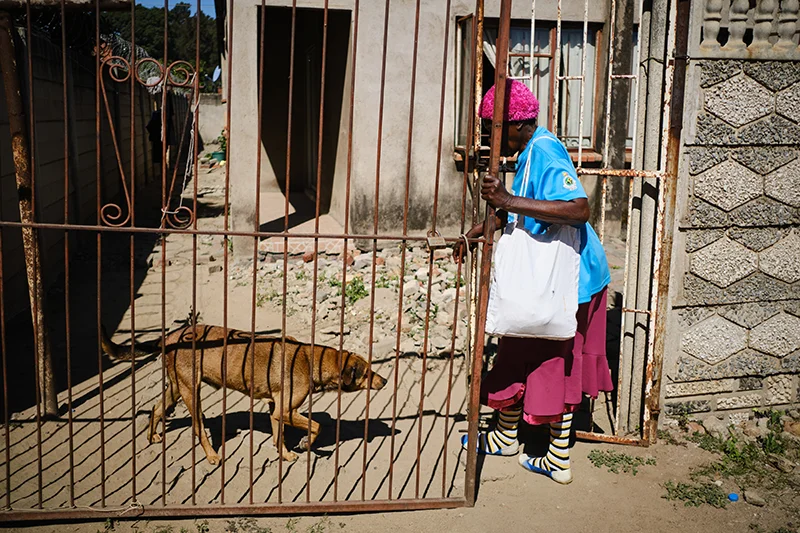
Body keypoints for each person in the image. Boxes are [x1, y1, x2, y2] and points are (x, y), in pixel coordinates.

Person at [455, 80, 613, 485]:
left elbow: (579, 209)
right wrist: (479, 230)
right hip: (543, 280)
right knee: (515, 353)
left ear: (513, 124)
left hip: (568, 282)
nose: (490, 137)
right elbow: (521, 212)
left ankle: (557, 459)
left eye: (492, 128)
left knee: (553, 365)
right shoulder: (528, 152)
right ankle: (507, 436)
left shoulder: (544, 150)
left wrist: (506, 201)